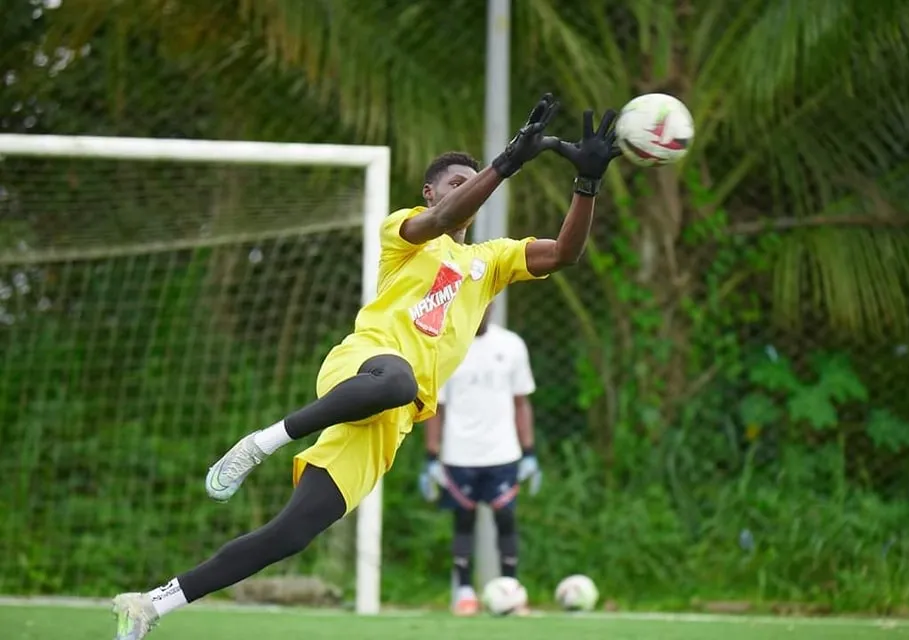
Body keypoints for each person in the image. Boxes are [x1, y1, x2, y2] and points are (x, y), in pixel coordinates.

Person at [111, 94, 621, 639]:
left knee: (290, 535)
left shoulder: (490, 261)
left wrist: (586, 184)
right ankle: (263, 441)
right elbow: (444, 219)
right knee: (398, 380)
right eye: (454, 182)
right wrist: (504, 164)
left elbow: (564, 253)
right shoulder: (404, 232)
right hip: (364, 367)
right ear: (429, 192)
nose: (462, 192)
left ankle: (151, 604)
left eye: (470, 184)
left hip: (390, 420)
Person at [420, 306, 541, 616]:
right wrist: (431, 456)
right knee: (463, 521)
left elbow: (521, 401)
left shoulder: (511, 345)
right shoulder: (447, 348)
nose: (481, 310)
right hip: (459, 454)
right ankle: (463, 593)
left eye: (487, 304)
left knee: (506, 520)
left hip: (503, 453)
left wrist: (529, 453)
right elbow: (436, 408)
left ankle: (511, 591)